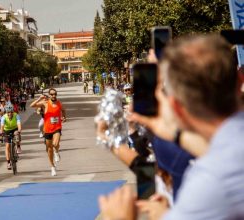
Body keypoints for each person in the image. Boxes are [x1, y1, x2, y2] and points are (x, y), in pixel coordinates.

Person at [100, 34, 244, 219]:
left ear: (176, 106)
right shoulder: (227, 153)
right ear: (240, 80)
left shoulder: (211, 180)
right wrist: (175, 134)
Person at [30, 88, 66, 176]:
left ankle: (56, 152)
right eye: (52, 94)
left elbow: (63, 110)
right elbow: (32, 105)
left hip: (57, 127)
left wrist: (64, 117)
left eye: (55, 94)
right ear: (49, 95)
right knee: (49, 149)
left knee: (55, 143)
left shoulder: (59, 103)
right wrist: (39, 98)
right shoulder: (45, 103)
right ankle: (52, 167)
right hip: (47, 129)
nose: (54, 96)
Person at [0, 104, 22, 170]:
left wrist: (19, 130)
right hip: (7, 131)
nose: (10, 113)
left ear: (13, 111)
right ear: (6, 112)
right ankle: (8, 162)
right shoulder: (3, 117)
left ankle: (18, 146)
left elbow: (19, 124)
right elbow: (2, 127)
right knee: (7, 146)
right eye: (8, 112)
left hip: (15, 129)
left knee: (17, 135)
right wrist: (1, 133)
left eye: (11, 112)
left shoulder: (16, 115)